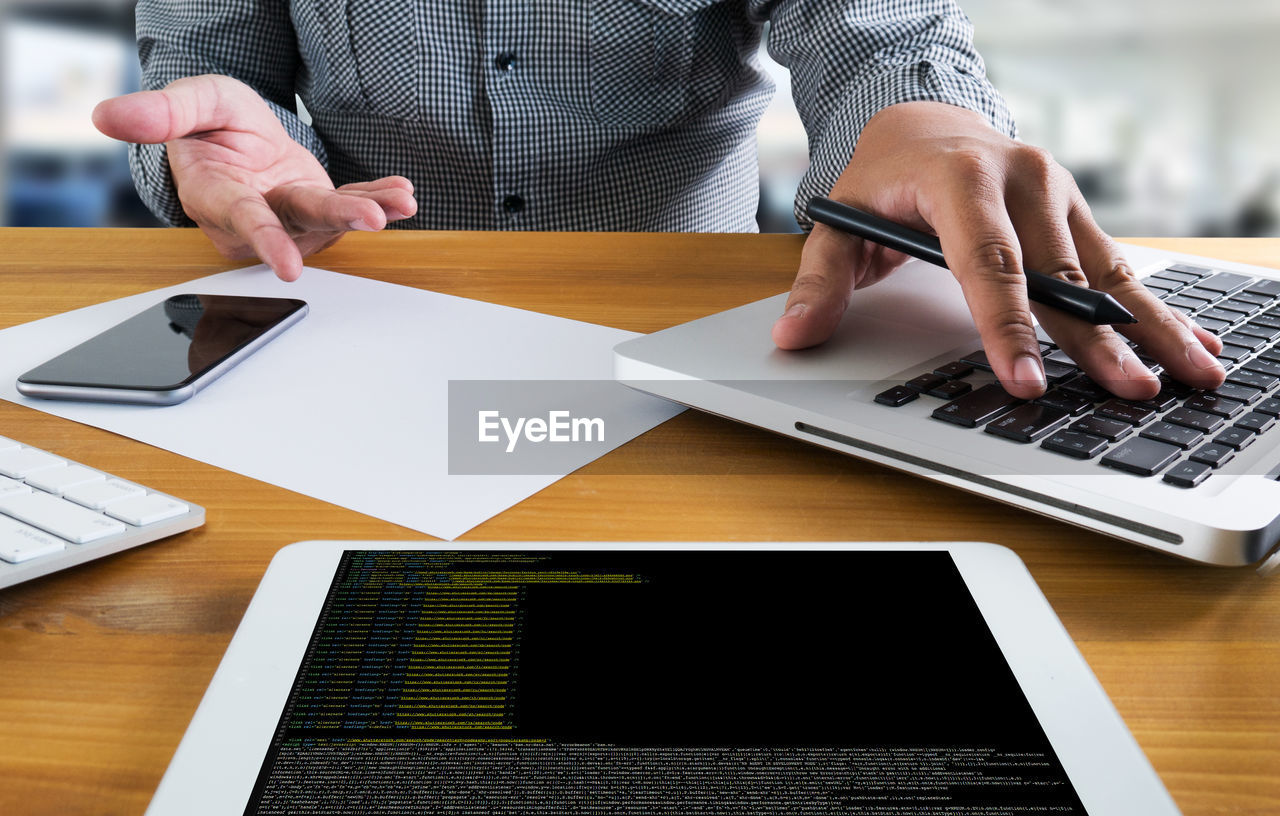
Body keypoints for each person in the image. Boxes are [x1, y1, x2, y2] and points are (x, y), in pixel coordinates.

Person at [93, 0, 1225, 402]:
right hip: (347, 327)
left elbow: (877, 32)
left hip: (685, 353)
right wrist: (234, 168)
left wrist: (927, 119)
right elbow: (206, 79)